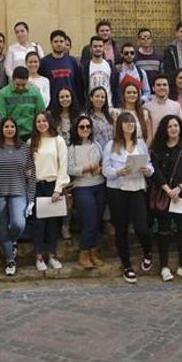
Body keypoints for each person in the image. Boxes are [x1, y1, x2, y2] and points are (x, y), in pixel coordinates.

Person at [102, 112, 155, 283]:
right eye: (126, 122)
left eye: (132, 121)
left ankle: (148, 251)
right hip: (117, 190)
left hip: (137, 188)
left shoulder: (140, 143)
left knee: (141, 227)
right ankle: (127, 265)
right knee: (121, 229)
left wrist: (148, 170)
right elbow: (105, 170)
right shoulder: (111, 144)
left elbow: (150, 165)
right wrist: (118, 172)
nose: (129, 125)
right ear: (120, 125)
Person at [149, 114, 182, 283]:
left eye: (176, 125)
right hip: (164, 194)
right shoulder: (157, 148)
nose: (173, 129)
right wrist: (167, 188)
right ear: (165, 128)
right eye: (170, 126)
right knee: (163, 231)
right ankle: (164, 267)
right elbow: (155, 170)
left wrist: (180, 187)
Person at [0, 117, 35, 276]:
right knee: (3, 226)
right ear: (2, 129)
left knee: (18, 223)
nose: (9, 129)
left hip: (19, 191)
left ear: (16, 129)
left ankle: (12, 241)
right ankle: (10, 259)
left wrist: (31, 198)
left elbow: (31, 175)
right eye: (6, 126)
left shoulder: (24, 148)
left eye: (12, 126)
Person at [29, 112, 70, 271]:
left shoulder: (58, 140)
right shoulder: (31, 142)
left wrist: (58, 189)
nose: (41, 124)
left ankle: (52, 255)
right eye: (38, 121)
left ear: (49, 122)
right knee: (38, 224)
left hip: (53, 186)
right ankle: (39, 256)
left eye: (44, 120)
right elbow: (28, 165)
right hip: (37, 185)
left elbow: (63, 165)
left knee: (53, 224)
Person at [68, 115, 106, 269]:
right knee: (89, 221)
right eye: (82, 127)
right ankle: (83, 252)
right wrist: (88, 168)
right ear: (76, 129)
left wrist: (100, 168)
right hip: (82, 187)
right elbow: (69, 169)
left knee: (97, 221)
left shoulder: (96, 144)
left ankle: (93, 251)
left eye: (88, 127)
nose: (85, 130)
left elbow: (103, 163)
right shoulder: (71, 147)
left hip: (99, 185)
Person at [0, 66, 46, 141]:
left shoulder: (35, 92)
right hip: (11, 133)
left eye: (23, 85)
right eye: (18, 85)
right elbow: (1, 116)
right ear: (12, 80)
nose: (20, 87)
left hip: (31, 133)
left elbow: (41, 113)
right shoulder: (3, 94)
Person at [40, 29, 82, 108]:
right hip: (52, 105)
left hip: (70, 104)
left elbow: (78, 84)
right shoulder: (44, 62)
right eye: (55, 42)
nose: (59, 44)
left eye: (61, 41)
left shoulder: (72, 61)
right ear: (51, 43)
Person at [80, 35, 121, 107]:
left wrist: (117, 105)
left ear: (103, 48)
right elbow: (81, 89)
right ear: (90, 49)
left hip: (109, 106)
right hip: (91, 108)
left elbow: (116, 87)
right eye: (95, 46)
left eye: (100, 46)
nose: (98, 48)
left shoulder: (110, 66)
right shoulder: (84, 67)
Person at [143, 75, 182, 141]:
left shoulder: (176, 106)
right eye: (158, 85)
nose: (162, 87)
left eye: (164, 85)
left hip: (172, 145)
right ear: (153, 88)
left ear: (168, 87)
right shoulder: (146, 107)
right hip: (154, 146)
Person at [85, 86, 115, 151]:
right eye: (97, 96)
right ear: (91, 98)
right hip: (94, 152)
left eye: (102, 97)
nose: (100, 99)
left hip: (111, 152)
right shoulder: (86, 116)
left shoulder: (111, 114)